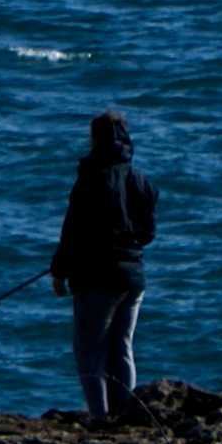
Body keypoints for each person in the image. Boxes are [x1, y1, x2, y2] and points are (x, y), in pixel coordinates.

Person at [50, 111, 158, 419]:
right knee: (122, 348)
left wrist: (59, 272)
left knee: (90, 351)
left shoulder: (90, 179)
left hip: (97, 279)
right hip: (133, 278)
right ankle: (123, 415)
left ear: (95, 139)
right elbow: (147, 234)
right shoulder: (140, 180)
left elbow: (71, 232)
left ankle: (98, 418)